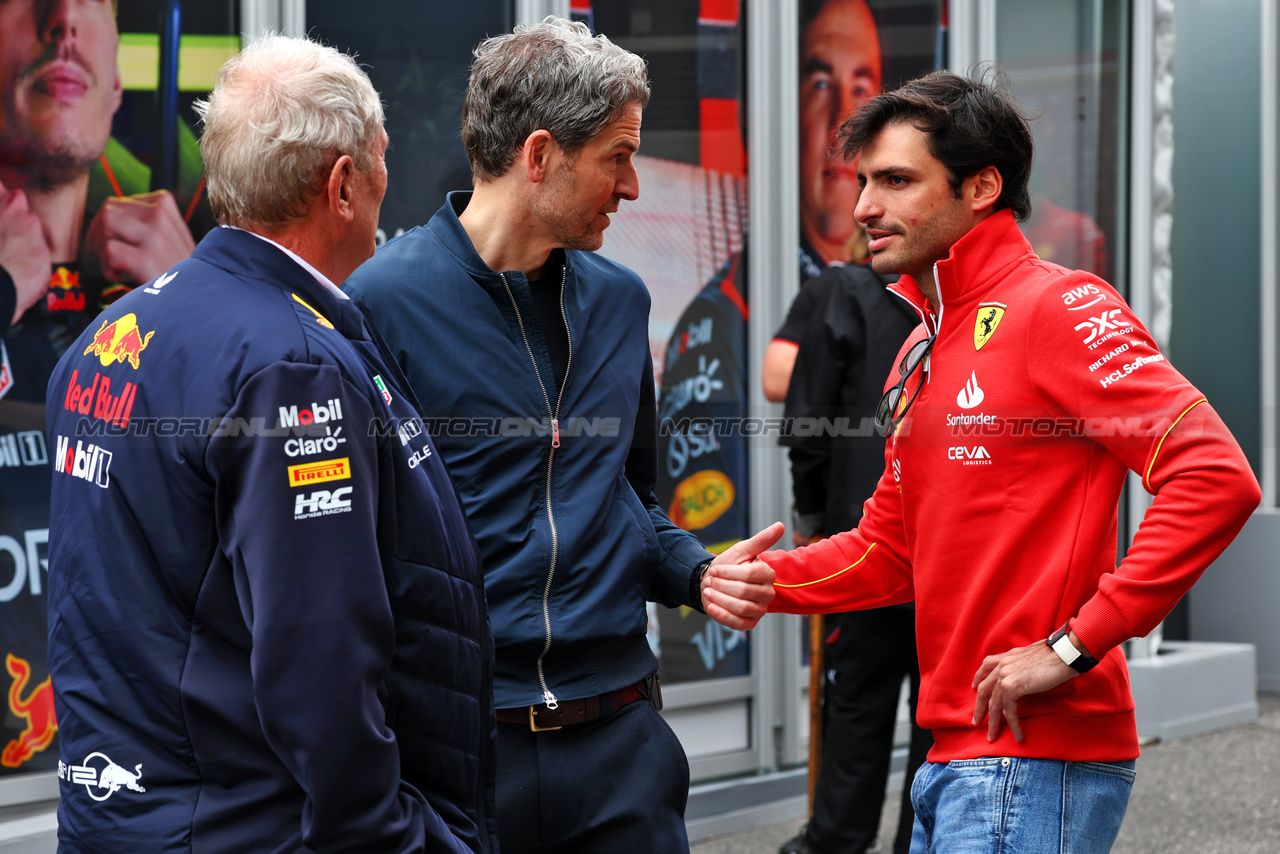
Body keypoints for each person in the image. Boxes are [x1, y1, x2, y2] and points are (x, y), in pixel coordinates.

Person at [715, 69, 1262, 852]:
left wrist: (1075, 645)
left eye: (897, 180)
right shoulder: (921, 341)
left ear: (981, 187)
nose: (866, 206)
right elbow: (887, 550)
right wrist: (760, 582)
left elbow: (1213, 477)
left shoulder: (1062, 307)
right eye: (863, 181)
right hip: (952, 757)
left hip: (1035, 759)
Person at [45, 35, 497, 853]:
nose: (388, 183)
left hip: (125, 820)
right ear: (343, 185)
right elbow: (319, 655)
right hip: (246, 828)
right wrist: (391, 835)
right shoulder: (291, 365)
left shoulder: (114, 332)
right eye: (382, 160)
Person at [345, 17, 778, 854]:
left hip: (622, 741)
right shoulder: (380, 304)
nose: (633, 188)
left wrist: (697, 570)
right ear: (539, 156)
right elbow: (358, 542)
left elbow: (626, 494)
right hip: (469, 749)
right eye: (617, 157)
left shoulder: (621, 301)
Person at [779, 250, 931, 854]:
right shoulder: (969, 301)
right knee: (938, 720)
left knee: (856, 707)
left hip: (865, 545)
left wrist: (812, 517)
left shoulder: (844, 290)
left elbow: (809, 418)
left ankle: (837, 840)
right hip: (940, 554)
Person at [763, 0, 883, 403]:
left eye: (862, 89)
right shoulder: (837, 288)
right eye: (819, 84)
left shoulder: (924, 278)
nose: (843, 124)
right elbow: (776, 377)